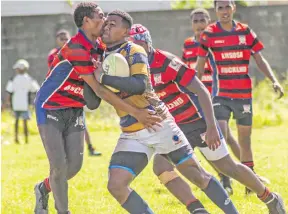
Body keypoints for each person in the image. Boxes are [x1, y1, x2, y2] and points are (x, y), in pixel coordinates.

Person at [129, 23, 286, 214]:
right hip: (174, 127)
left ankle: (271, 198)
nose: (137, 49)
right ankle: (197, 210)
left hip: (198, 122)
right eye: (132, 46)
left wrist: (211, 126)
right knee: (161, 167)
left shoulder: (166, 61)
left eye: (140, 44)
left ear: (148, 43)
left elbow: (201, 90)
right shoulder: (134, 69)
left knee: (228, 167)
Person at [95, 9, 239, 214]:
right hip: (132, 129)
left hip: (157, 123)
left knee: (196, 175)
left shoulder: (134, 51)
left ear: (126, 32)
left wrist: (103, 78)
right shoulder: (101, 54)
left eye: (113, 24)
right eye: (105, 23)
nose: (106, 27)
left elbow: (139, 85)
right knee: (116, 185)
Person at [33, 3, 161, 214]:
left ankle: (42, 188)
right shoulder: (76, 48)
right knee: (58, 167)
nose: (105, 21)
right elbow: (99, 90)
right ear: (87, 21)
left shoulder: (101, 46)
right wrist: (136, 112)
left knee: (74, 166)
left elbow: (97, 93)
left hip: (75, 110)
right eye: (101, 16)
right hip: (50, 108)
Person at [196, 0, 284, 195]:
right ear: (215, 11)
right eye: (220, 8)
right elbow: (200, 66)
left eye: (228, 7)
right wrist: (194, 89)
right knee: (220, 134)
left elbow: (260, 59)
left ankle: (250, 182)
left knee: (245, 140)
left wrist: (273, 80)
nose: (225, 11)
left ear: (234, 8)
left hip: (244, 95)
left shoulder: (246, 32)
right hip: (220, 95)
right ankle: (226, 177)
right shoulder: (208, 34)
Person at [182, 7, 238, 195]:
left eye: (202, 20)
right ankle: (228, 176)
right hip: (195, 99)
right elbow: (184, 70)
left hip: (213, 96)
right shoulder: (188, 44)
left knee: (222, 135)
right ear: (191, 24)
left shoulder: (213, 43)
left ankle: (238, 173)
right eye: (195, 21)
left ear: (208, 22)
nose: (199, 24)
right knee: (217, 138)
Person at [48, 29, 102, 156]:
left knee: (81, 122)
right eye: (61, 38)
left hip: (76, 92)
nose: (64, 40)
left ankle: (90, 148)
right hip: (61, 95)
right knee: (61, 125)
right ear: (56, 40)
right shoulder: (54, 55)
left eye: (66, 37)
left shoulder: (77, 51)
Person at [4, 59, 40, 144]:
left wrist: (7, 103)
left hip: (15, 104)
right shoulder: (30, 79)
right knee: (25, 122)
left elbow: (9, 92)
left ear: (19, 69)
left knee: (16, 121)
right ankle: (26, 139)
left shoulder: (13, 79)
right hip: (25, 104)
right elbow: (36, 90)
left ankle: (16, 138)